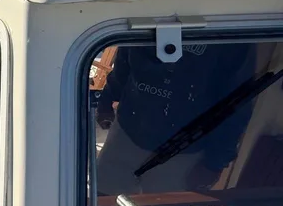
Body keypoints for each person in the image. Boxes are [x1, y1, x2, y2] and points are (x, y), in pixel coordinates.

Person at [96, 43, 255, 195]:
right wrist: (106, 100)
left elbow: (237, 100)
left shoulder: (229, 33)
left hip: (184, 149)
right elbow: (124, 60)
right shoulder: (144, 17)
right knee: (101, 205)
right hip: (126, 134)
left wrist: (214, 163)